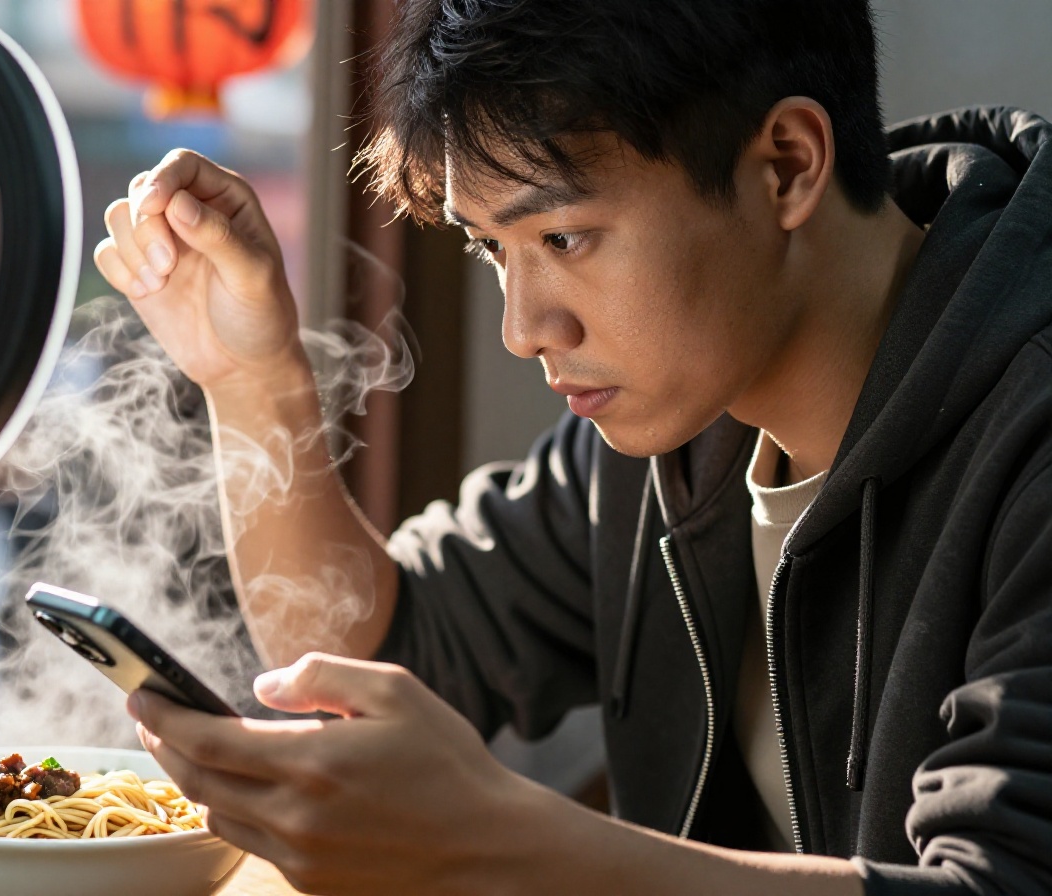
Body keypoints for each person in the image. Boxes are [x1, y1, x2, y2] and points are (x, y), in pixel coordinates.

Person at [94, 0, 1052, 892]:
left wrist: (496, 841)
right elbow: (368, 645)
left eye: (561, 236)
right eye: (489, 248)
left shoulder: (1029, 428)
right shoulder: (673, 424)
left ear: (788, 165)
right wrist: (250, 379)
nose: (524, 328)